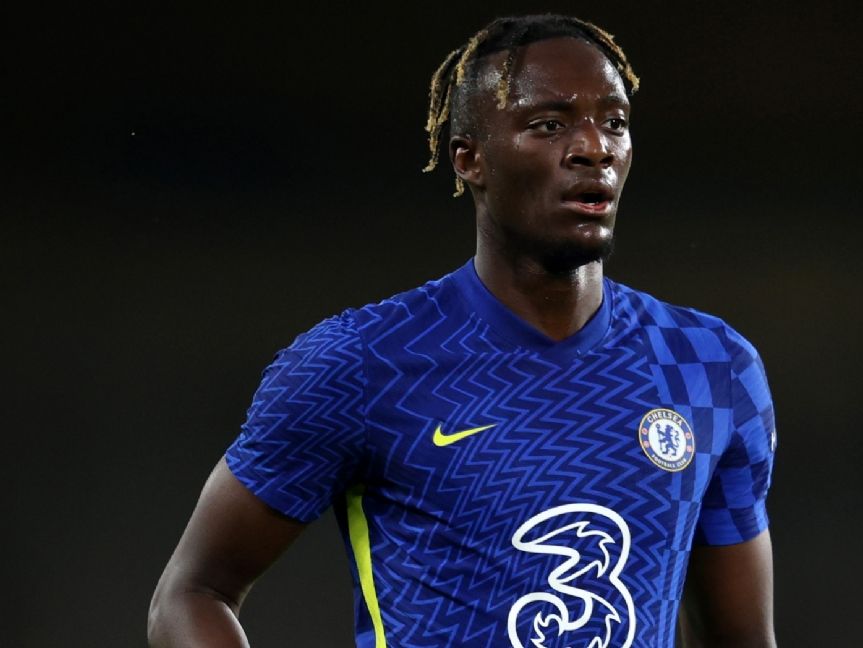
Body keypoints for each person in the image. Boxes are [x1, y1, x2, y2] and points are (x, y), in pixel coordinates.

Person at [148, 14, 778, 648]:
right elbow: (193, 592)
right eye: (549, 125)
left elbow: (741, 639)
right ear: (470, 159)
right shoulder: (363, 363)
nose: (594, 147)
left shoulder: (709, 368)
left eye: (614, 122)